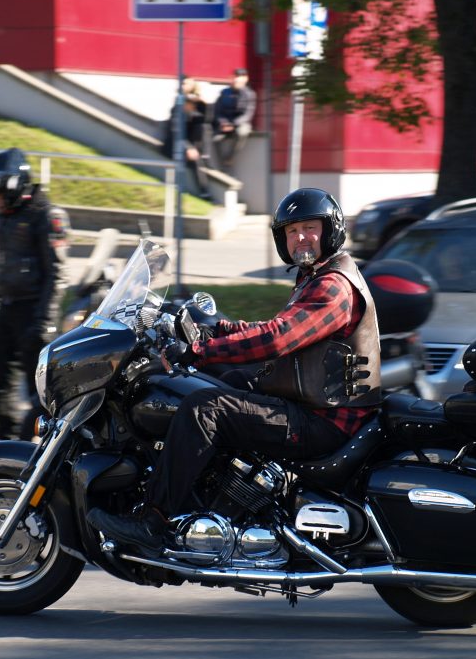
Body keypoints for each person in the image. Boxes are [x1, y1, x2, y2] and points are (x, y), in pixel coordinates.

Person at [87, 187, 382, 555]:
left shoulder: (334, 287)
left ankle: (154, 521)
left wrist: (199, 350)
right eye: (292, 231)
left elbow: (278, 339)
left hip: (324, 422)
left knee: (202, 408)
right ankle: (222, 499)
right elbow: (277, 327)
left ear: (330, 230)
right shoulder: (316, 278)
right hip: (314, 407)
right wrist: (217, 328)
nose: (300, 237)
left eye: (309, 228)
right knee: (227, 380)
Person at [0, 148, 71, 441]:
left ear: (15, 185)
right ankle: (5, 448)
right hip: (9, 308)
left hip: (35, 311)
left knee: (39, 392)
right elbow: (3, 268)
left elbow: (57, 273)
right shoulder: (3, 218)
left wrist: (43, 321)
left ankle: (48, 449)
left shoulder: (46, 216)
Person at [161, 76, 211, 199]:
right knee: (194, 162)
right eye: (183, 83)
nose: (184, 86)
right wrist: (188, 147)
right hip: (176, 144)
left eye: (187, 84)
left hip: (191, 142)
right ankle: (203, 191)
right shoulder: (178, 103)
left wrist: (198, 103)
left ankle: (203, 154)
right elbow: (175, 129)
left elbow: (206, 119)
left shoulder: (198, 103)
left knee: (203, 126)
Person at [211, 67, 257, 169]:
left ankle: (230, 157)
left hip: (239, 123)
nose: (237, 79)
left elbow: (248, 114)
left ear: (246, 79)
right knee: (216, 139)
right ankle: (221, 164)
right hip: (225, 124)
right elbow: (218, 111)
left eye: (241, 77)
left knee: (242, 132)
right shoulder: (224, 93)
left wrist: (234, 124)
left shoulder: (249, 94)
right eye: (236, 77)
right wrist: (223, 123)